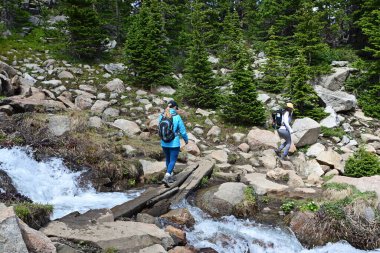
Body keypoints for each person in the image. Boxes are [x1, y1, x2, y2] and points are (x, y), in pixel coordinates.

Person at [158, 101, 188, 186]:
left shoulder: (162, 116)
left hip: (164, 142)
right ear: (174, 107)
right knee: (173, 160)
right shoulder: (177, 117)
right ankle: (167, 176)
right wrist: (186, 140)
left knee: (168, 159)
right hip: (174, 142)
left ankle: (170, 176)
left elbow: (160, 128)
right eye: (176, 108)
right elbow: (183, 131)